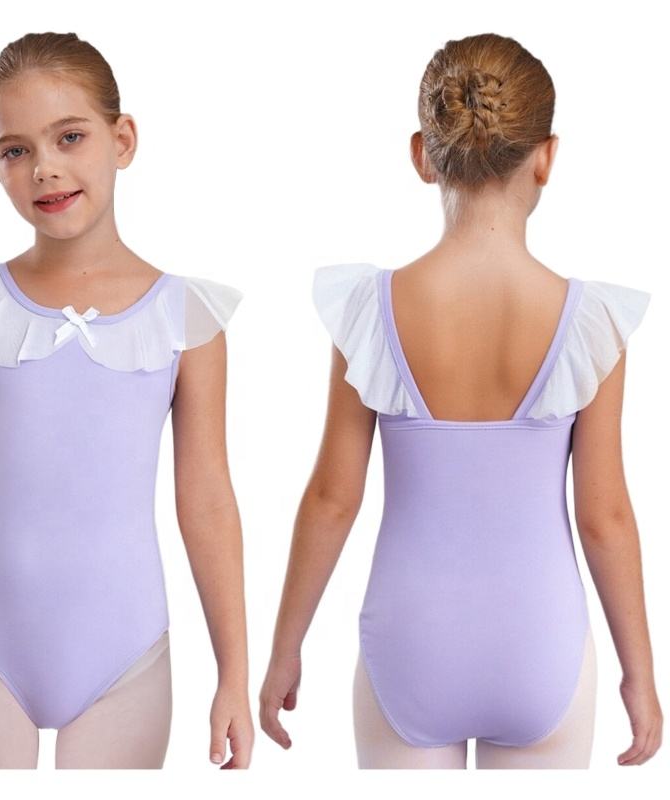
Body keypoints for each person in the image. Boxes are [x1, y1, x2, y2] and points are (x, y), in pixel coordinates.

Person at [259, 32, 662, 769]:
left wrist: (286, 648)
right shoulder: (590, 324)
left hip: (411, 642)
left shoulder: (370, 311)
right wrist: (641, 675)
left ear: (423, 154)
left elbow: (331, 499)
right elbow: (604, 517)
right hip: (540, 644)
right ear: (546, 156)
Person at [0, 31, 253, 769]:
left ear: (123, 140)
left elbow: (208, 501)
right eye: (15, 150)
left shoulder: (187, 319)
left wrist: (234, 674)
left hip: (125, 657)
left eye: (69, 137)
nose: (44, 167)